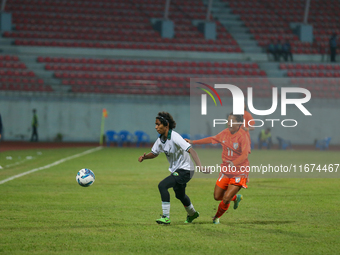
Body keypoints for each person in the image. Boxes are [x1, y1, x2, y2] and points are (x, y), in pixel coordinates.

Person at [138, 112, 202, 225]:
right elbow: (154, 153)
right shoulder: (161, 140)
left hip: (186, 170)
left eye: (158, 124)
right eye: (155, 124)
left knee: (162, 185)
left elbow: (191, 150)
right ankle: (193, 213)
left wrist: (200, 166)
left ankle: (166, 217)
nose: (155, 127)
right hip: (177, 170)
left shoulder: (175, 137)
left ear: (166, 125)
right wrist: (145, 157)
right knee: (180, 195)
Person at [185, 113, 250, 224]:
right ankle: (235, 198)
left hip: (239, 172)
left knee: (226, 198)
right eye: (228, 120)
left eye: (232, 121)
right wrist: (193, 142)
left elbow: (245, 155)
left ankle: (216, 218)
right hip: (226, 170)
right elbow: (212, 139)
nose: (229, 123)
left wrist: (234, 163)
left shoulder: (243, 136)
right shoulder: (225, 133)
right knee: (217, 196)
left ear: (239, 123)